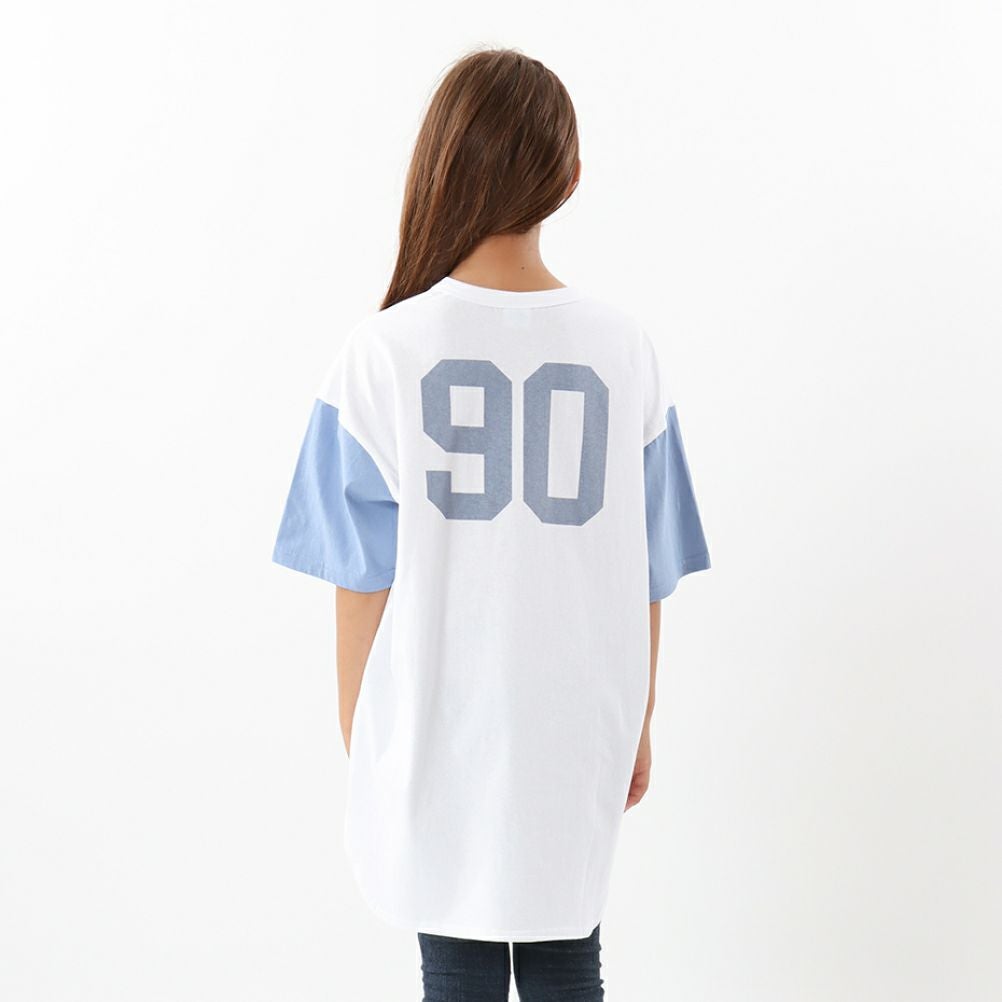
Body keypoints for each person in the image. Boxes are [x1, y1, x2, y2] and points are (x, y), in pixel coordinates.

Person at [272, 46, 710, 1002]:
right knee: (567, 956)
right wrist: (637, 721)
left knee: (456, 966)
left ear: (443, 161)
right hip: (577, 727)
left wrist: (367, 735)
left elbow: (358, 576)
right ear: (570, 176)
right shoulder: (626, 350)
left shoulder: (380, 352)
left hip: (438, 726)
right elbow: (650, 567)